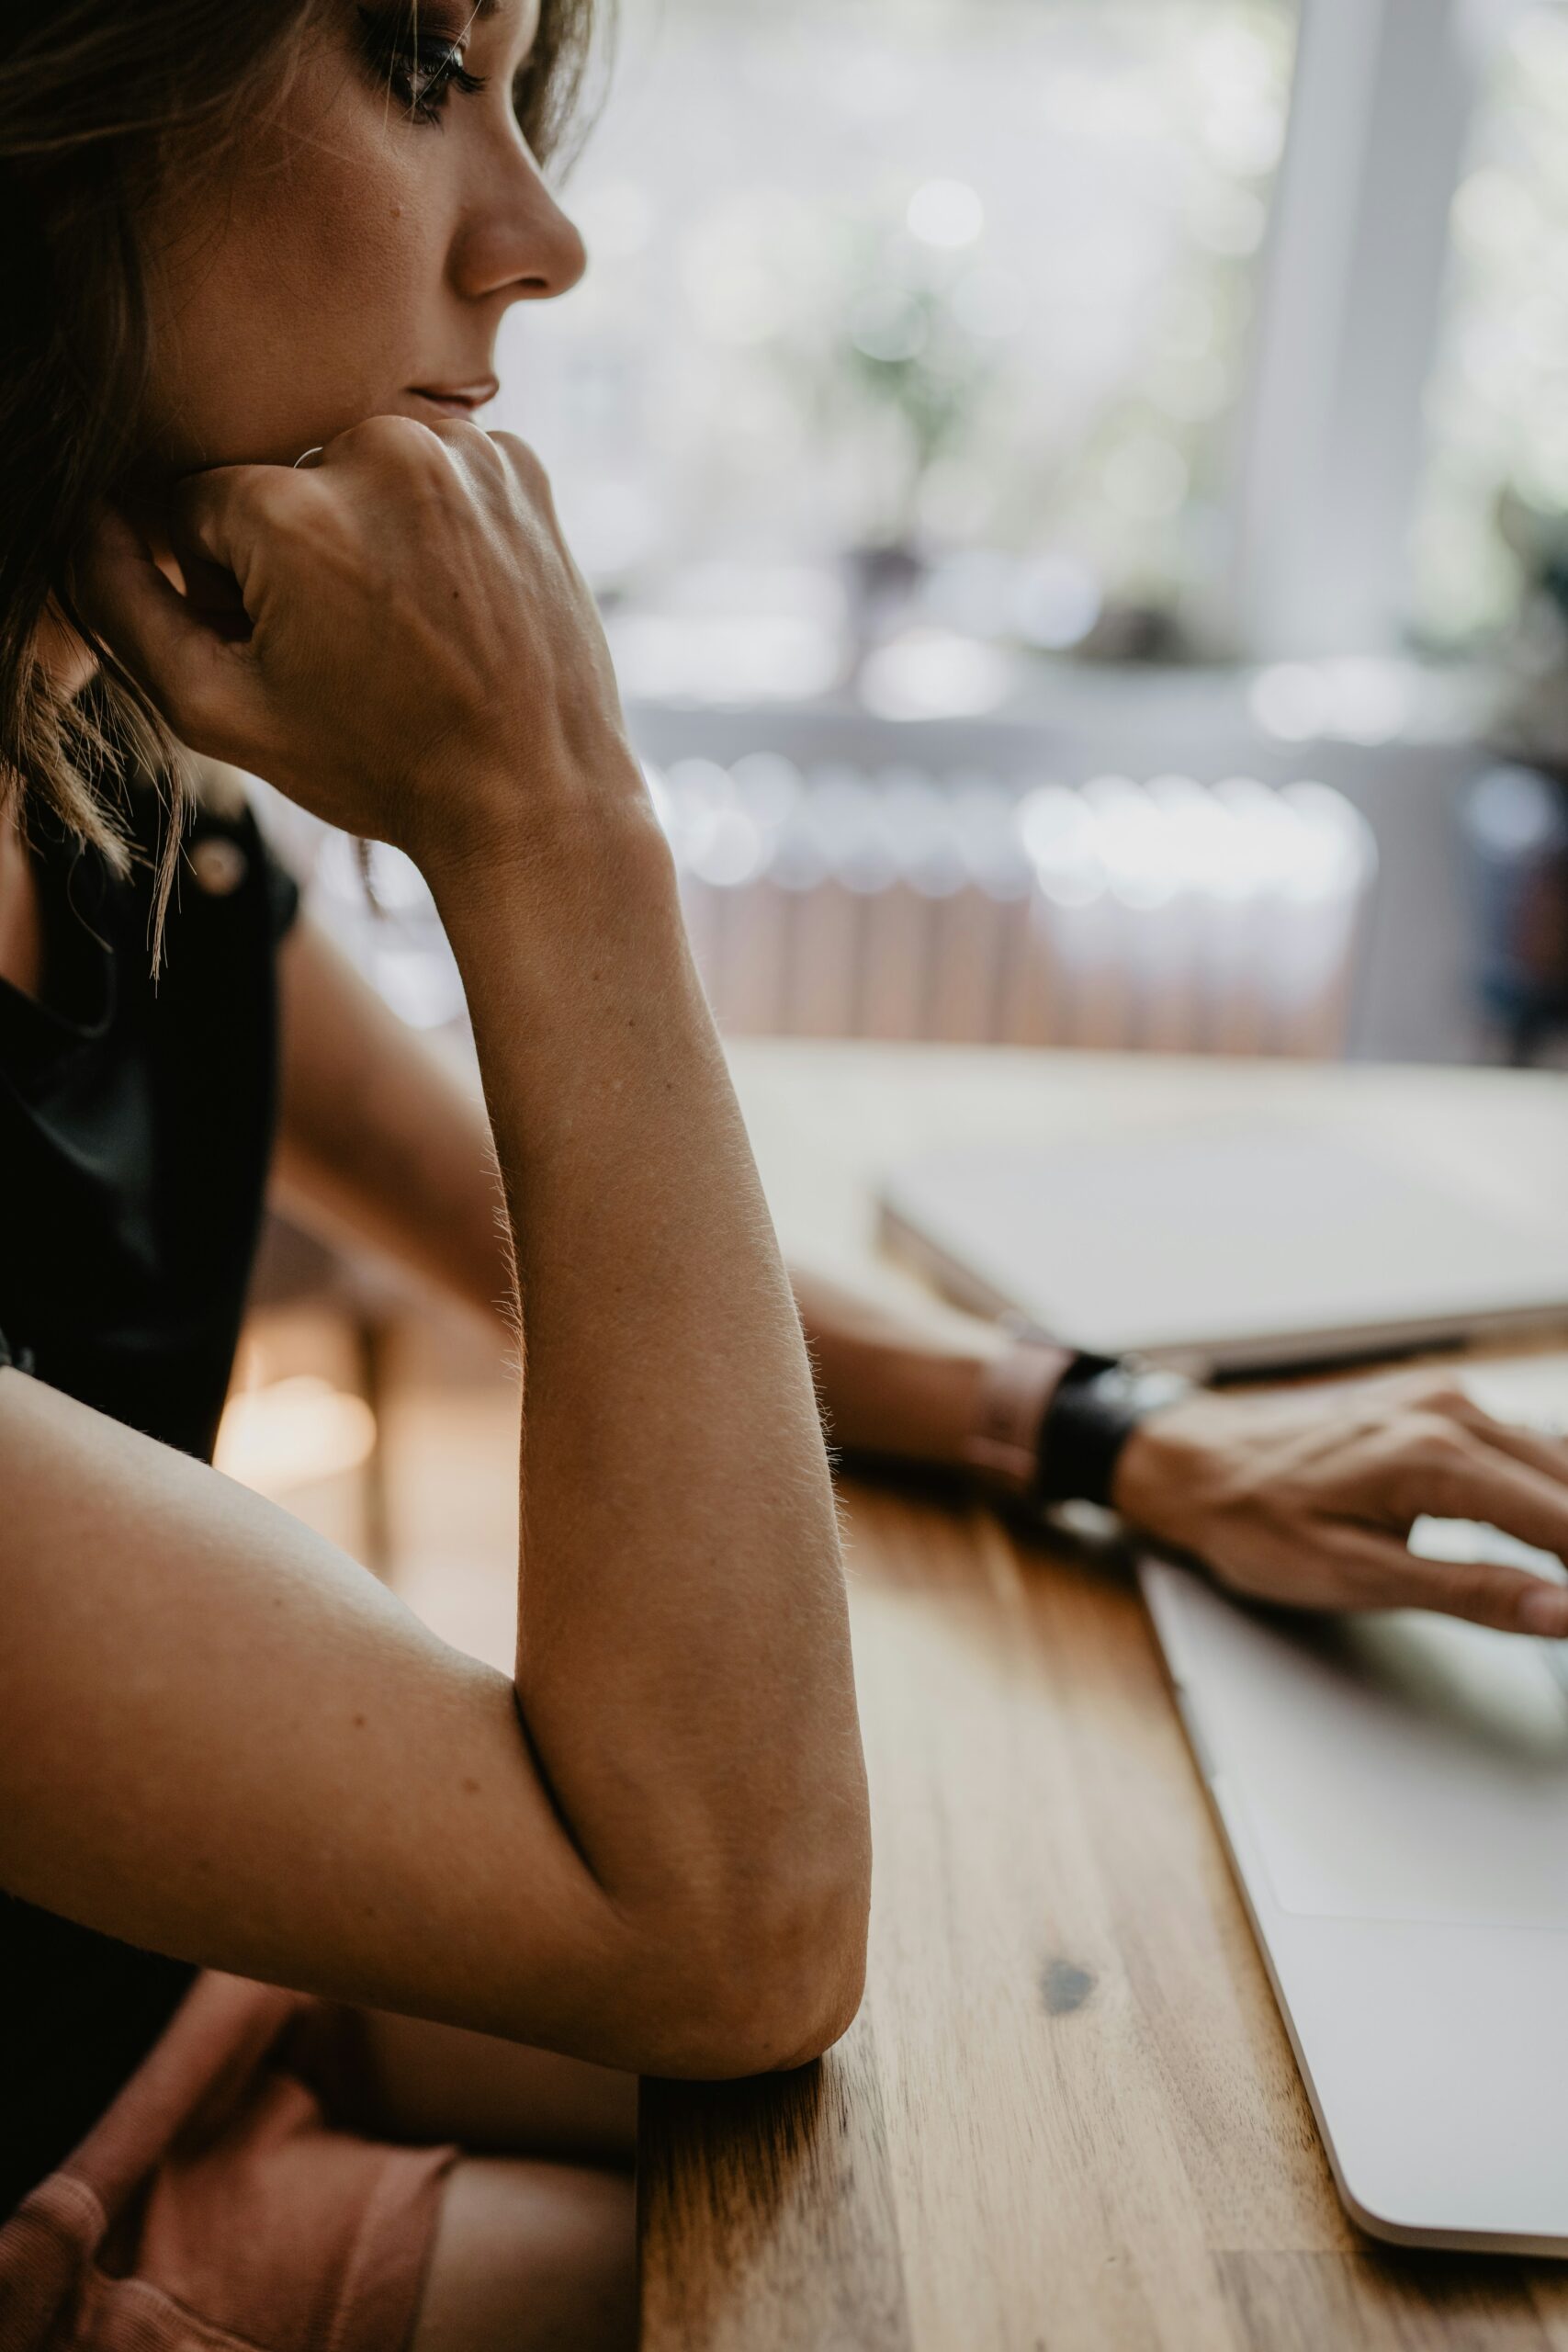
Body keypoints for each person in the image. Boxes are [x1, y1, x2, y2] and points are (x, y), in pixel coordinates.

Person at [5, 4, 1568, 2346]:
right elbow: (723, 1926)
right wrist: (553, 832)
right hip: (68, 2194)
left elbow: (522, 1217)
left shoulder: (108, 781)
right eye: (430, 67)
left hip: (169, 1991)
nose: (540, 236)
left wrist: (1114, 1429)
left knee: (1095, 2085)